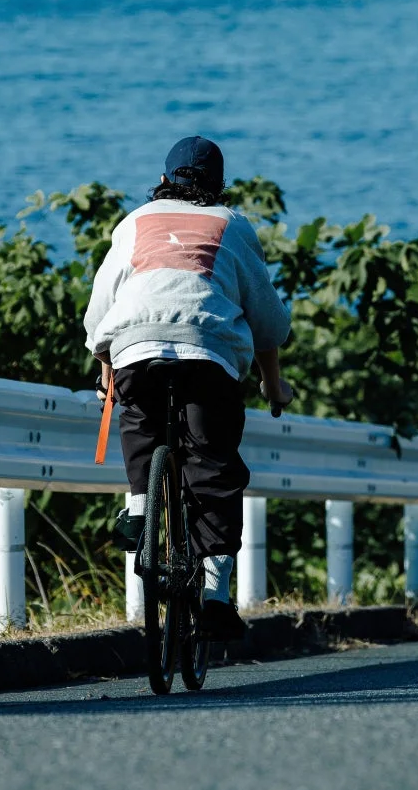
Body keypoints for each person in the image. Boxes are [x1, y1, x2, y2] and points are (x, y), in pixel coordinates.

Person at [83, 136, 293, 641]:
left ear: (163, 180)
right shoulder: (232, 225)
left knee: (139, 422)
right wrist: (273, 384)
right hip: (208, 350)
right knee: (213, 464)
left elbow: (101, 304)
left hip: (135, 343)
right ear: (220, 186)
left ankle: (138, 510)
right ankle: (217, 597)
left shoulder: (134, 222)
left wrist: (105, 361)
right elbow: (266, 320)